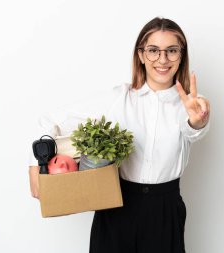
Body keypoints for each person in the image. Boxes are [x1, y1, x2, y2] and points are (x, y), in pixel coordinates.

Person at [28, 17, 210, 253]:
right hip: (116, 205)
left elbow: (192, 130)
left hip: (165, 210)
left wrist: (198, 122)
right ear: (141, 55)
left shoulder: (190, 106)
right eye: (153, 50)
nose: (162, 59)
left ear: (181, 56)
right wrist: (35, 168)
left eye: (172, 51)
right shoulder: (117, 99)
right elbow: (50, 120)